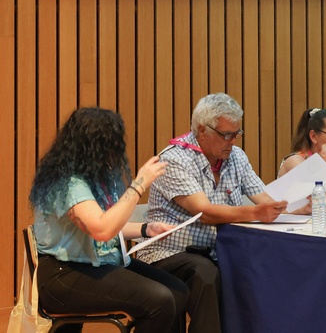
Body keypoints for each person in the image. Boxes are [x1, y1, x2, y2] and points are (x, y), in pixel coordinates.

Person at [138, 93, 289, 333]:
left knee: (257, 268)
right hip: (168, 253)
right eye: (226, 135)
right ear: (202, 130)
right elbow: (204, 213)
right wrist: (255, 212)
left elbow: (264, 200)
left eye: (236, 134)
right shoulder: (175, 159)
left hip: (217, 251)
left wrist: (289, 208)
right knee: (205, 274)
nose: (232, 142)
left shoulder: (236, 157)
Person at [29, 107, 189, 333]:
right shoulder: (67, 183)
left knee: (177, 291)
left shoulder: (98, 177)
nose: (116, 150)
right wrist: (140, 183)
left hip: (99, 262)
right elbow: (101, 230)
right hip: (63, 274)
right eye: (110, 144)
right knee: (160, 300)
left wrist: (146, 229)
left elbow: (109, 225)